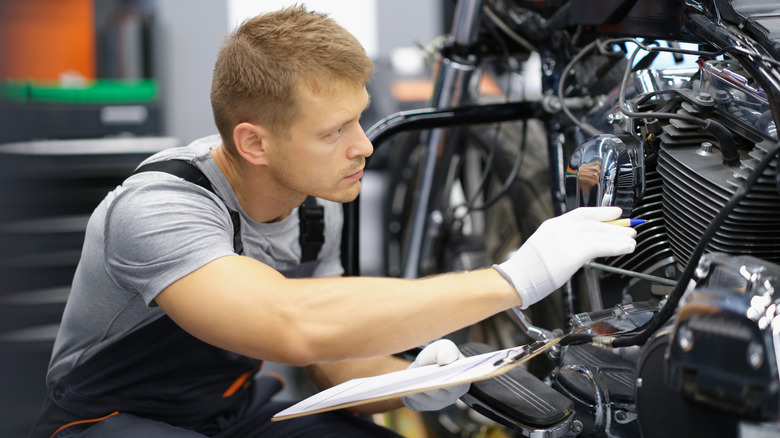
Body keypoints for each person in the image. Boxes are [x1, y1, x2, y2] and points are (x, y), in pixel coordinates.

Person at [29, 6, 637, 438]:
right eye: (333, 131)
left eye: (359, 119)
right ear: (254, 142)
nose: (365, 147)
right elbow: (291, 324)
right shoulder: (160, 206)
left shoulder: (316, 203)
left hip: (232, 412)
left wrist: (413, 381)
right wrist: (515, 279)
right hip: (106, 421)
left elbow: (329, 361)